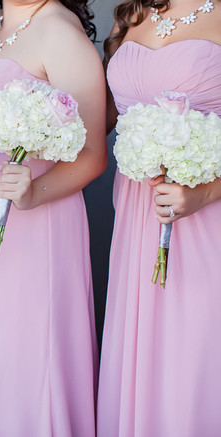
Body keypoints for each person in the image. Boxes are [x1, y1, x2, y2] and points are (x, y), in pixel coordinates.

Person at [0, 0, 106, 435]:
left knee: (26, 351)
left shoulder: (60, 31)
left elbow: (94, 154)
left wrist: (32, 194)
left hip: (35, 217)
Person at [98, 0, 221, 435]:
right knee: (144, 353)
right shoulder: (132, 13)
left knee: (193, 355)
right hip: (137, 216)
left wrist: (205, 192)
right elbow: (100, 121)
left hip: (205, 218)